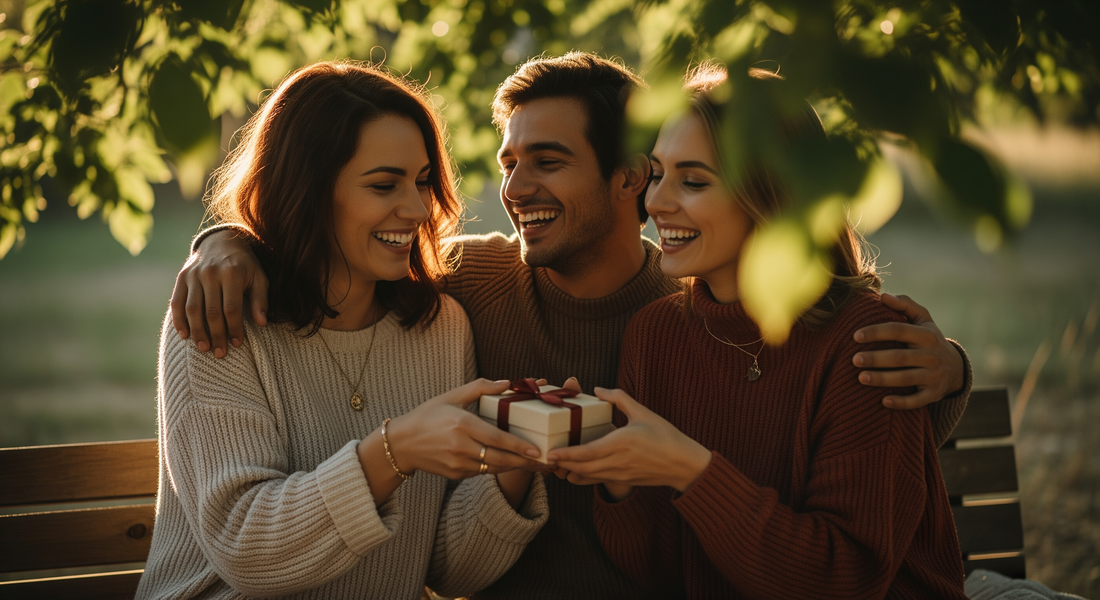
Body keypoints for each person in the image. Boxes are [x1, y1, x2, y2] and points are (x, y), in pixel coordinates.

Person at [171, 53, 972, 599]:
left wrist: (951, 371)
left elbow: (846, 455)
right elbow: (337, 242)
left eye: (547, 161)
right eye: (506, 162)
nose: (514, 186)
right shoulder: (466, 288)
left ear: (628, 180)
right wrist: (229, 241)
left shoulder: (678, 308)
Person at [548, 64, 968, 598]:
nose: (655, 202)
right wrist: (620, 477)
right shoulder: (656, 333)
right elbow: (655, 569)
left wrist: (691, 469)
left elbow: (842, 579)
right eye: (657, 173)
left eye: (694, 181)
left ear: (773, 194)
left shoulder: (867, 342)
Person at [136, 61, 550, 600]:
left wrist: (511, 461)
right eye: (384, 185)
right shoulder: (219, 317)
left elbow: (449, 571)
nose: (417, 208)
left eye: (423, 182)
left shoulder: (441, 328)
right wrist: (394, 451)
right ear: (307, 191)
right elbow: (246, 548)